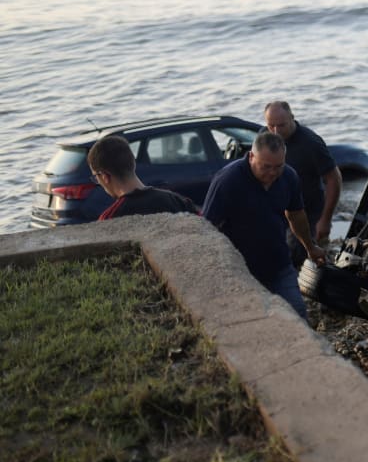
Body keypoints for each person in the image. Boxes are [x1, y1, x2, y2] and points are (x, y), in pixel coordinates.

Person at [202, 131, 325, 321]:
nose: (273, 173)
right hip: (240, 270)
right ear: (251, 156)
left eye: (278, 166)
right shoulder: (227, 181)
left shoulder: (289, 176)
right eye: (266, 167)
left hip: (279, 265)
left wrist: (310, 246)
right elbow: (207, 229)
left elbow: (296, 216)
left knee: (298, 314)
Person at [263, 100, 341, 262]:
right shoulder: (265, 137)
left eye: (281, 125)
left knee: (299, 255)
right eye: (271, 126)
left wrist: (325, 220)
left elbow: (333, 179)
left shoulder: (311, 143)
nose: (276, 132)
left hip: (308, 212)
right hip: (278, 209)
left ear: (292, 117)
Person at [87, 135, 198, 219]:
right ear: (133, 163)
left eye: (96, 177)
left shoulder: (109, 219)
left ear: (105, 176)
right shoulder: (177, 201)